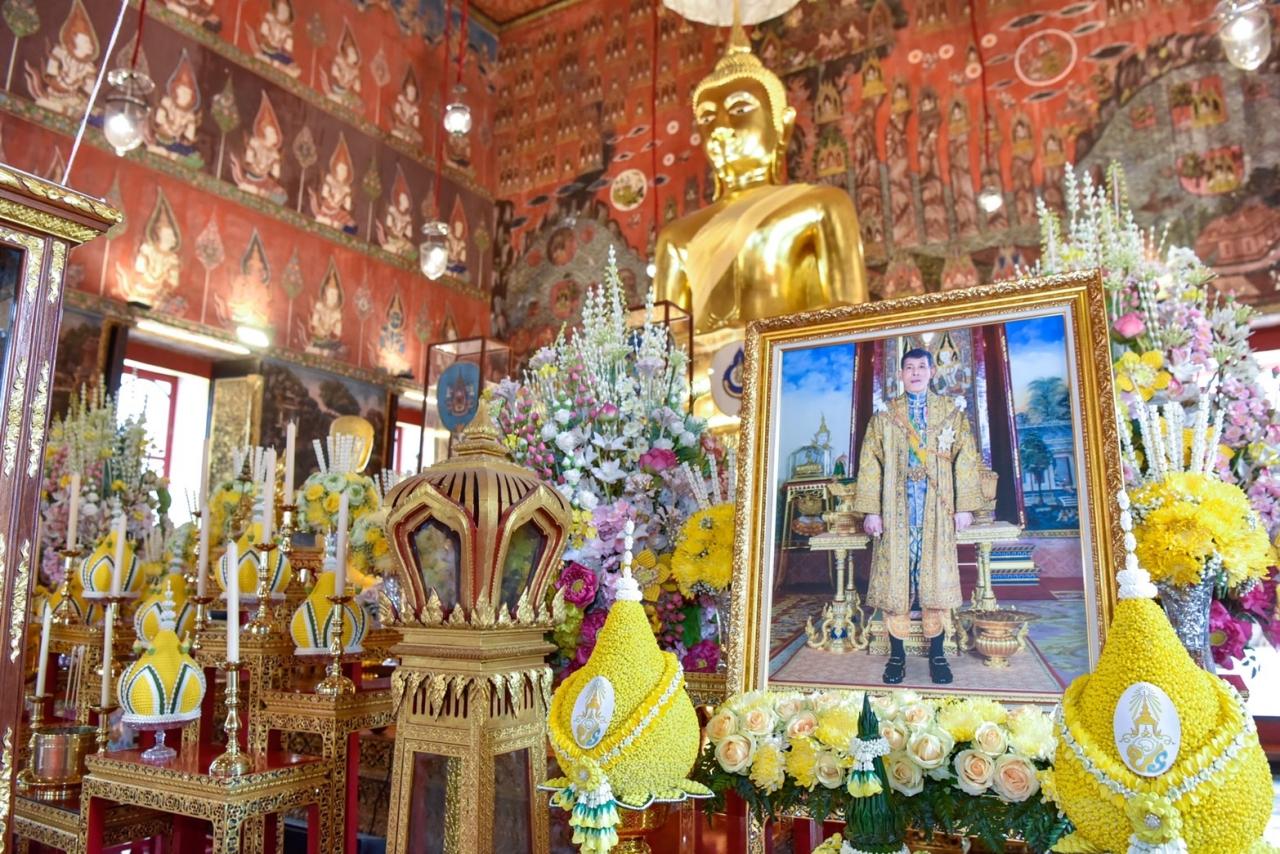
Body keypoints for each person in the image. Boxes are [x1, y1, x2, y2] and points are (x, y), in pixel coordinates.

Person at [852, 348, 982, 685]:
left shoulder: (951, 412)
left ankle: (938, 654)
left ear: (932, 372)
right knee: (897, 582)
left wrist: (964, 506)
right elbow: (870, 463)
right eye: (909, 368)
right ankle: (897, 656)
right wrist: (872, 510)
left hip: (936, 510)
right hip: (896, 513)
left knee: (934, 581)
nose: (915, 373)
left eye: (921, 367)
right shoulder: (885, 415)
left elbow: (966, 459)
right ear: (900, 374)